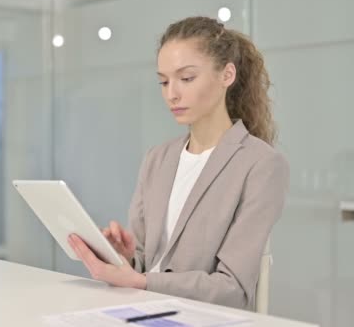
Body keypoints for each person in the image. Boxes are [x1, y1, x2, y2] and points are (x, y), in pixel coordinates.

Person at [67, 16, 290, 311]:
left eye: (186, 78)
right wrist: (126, 258)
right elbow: (148, 262)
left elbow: (232, 288)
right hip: (143, 308)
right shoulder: (157, 158)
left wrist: (142, 281)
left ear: (227, 75)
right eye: (163, 81)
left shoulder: (261, 165)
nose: (171, 93)